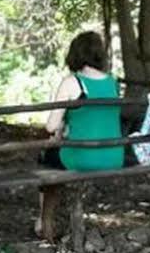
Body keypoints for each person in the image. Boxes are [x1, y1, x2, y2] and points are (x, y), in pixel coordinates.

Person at [39, 30, 127, 171]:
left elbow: (51, 126)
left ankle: (48, 193)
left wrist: (63, 128)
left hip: (82, 158)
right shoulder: (113, 82)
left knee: (47, 156)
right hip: (115, 158)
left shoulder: (72, 82)